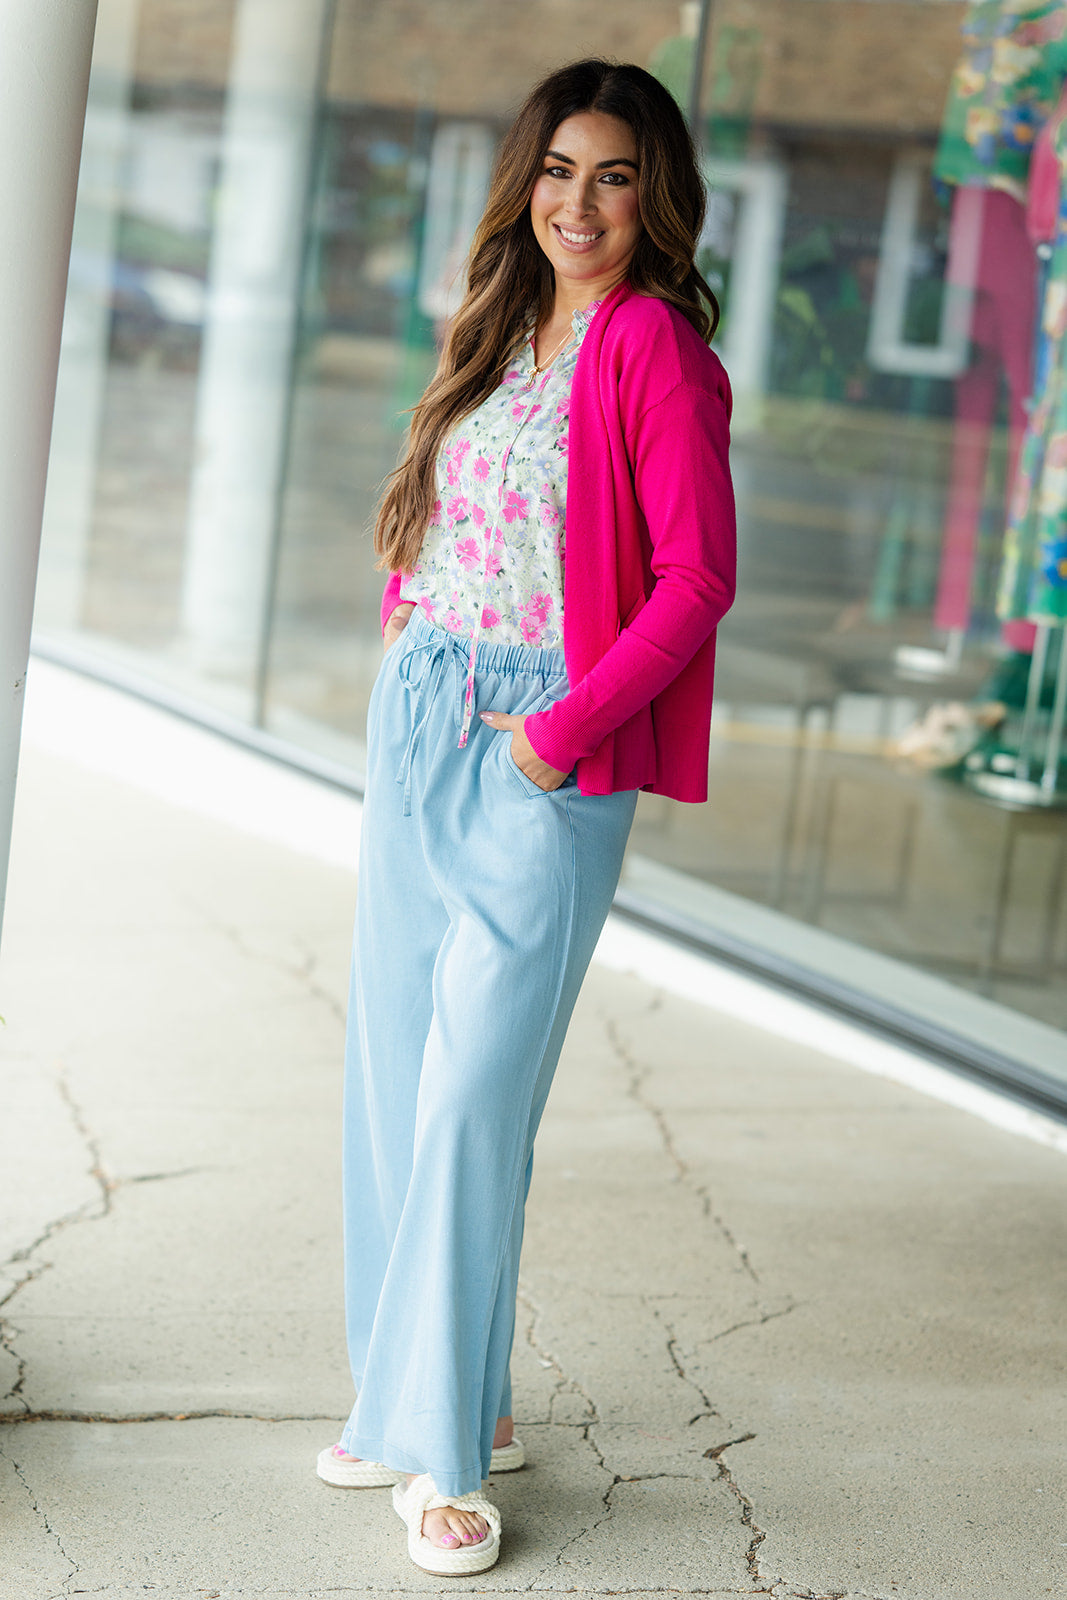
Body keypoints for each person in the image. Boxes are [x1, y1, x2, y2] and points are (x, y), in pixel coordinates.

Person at [316, 57, 736, 1578]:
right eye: (560, 169)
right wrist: (403, 630)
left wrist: (558, 737)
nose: (581, 203)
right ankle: (423, 1399)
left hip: (542, 745)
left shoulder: (654, 347)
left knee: (470, 1099)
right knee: (392, 1071)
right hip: (427, 703)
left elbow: (696, 579)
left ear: (655, 196)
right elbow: (450, 504)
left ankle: (441, 1460)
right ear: (526, 180)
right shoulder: (499, 321)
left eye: (614, 175)